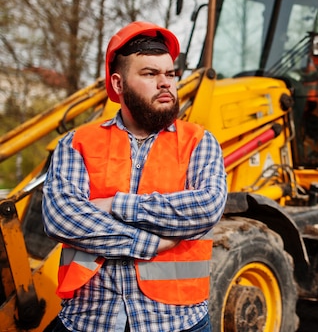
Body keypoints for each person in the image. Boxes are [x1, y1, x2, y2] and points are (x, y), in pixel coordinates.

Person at [42, 21, 228, 331]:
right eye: (150, 74)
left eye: (169, 74)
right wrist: (149, 243)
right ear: (118, 84)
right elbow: (61, 217)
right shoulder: (78, 142)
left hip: (177, 321)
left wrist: (115, 205)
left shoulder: (199, 141)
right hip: (90, 319)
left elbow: (206, 208)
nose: (165, 83)